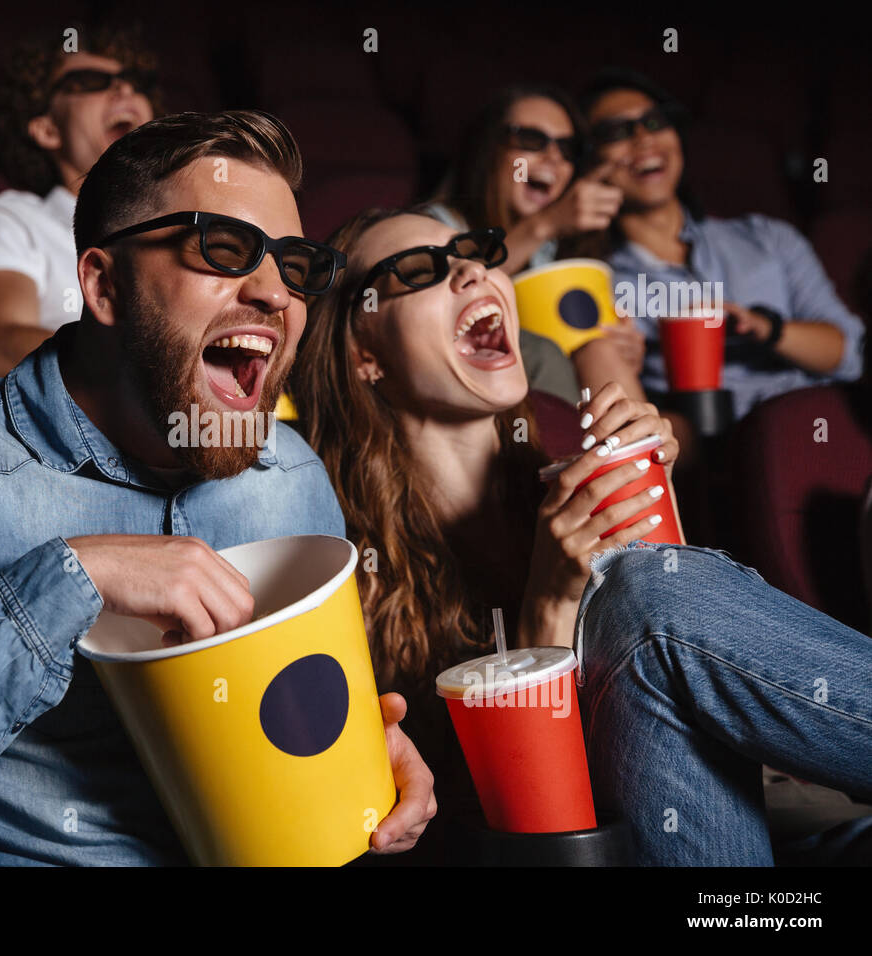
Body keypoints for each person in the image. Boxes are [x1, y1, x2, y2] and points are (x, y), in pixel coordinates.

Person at [0, 110, 436, 867]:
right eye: (225, 249)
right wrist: (70, 580)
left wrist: (370, 756)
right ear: (103, 286)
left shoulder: (290, 474)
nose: (275, 294)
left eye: (295, 267)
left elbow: (290, 742)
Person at [289, 206, 872, 865]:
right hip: (583, 847)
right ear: (364, 354)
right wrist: (552, 600)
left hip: (783, 818)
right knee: (643, 593)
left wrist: (658, 509)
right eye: (419, 269)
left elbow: (684, 722)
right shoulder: (349, 569)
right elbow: (505, 826)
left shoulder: (566, 465)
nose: (470, 271)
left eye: (474, 251)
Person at [581, 69, 865, 421]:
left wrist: (766, 328)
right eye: (616, 132)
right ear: (590, 161)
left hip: (816, 424)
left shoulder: (767, 237)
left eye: (655, 122)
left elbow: (851, 354)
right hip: (712, 449)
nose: (643, 139)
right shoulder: (597, 281)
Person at [420, 85, 645, 404]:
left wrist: (624, 353)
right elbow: (444, 301)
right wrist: (546, 223)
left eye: (567, 149)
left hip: (563, 400)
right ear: (489, 151)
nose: (553, 158)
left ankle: (643, 451)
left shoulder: (552, 249)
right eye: (530, 140)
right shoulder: (433, 226)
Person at [0, 27, 158, 374]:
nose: (123, 88)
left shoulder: (188, 220)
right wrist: (133, 371)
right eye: (87, 81)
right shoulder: (17, 216)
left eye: (132, 81)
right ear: (47, 130)